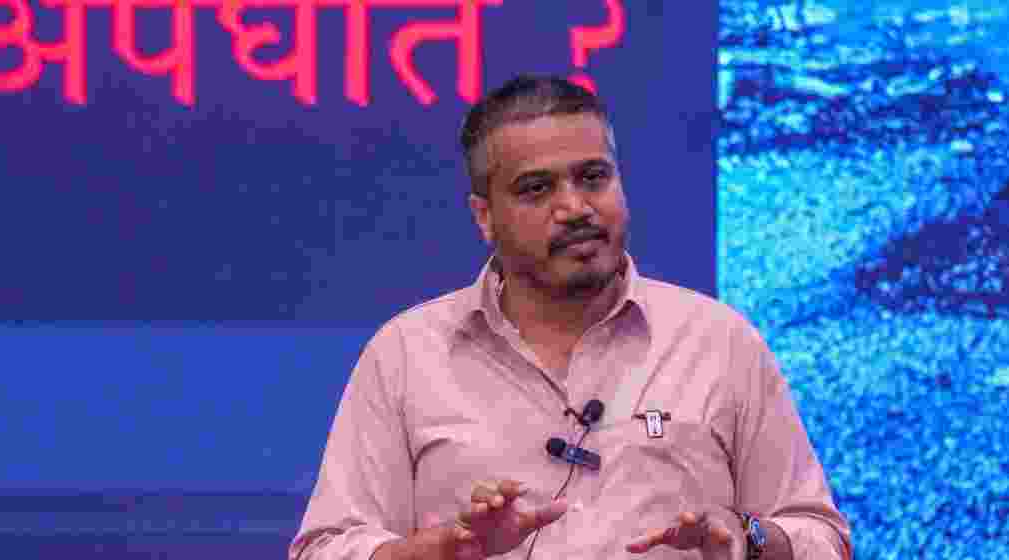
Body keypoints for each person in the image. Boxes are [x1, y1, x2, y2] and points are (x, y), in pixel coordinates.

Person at [289, 75, 852, 560]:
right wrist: (431, 551)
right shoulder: (408, 356)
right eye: (537, 188)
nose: (576, 208)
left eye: (593, 177)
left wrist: (751, 538)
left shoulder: (720, 343)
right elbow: (325, 548)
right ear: (484, 217)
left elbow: (822, 538)